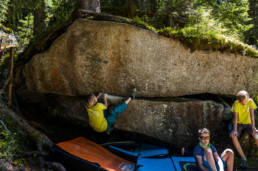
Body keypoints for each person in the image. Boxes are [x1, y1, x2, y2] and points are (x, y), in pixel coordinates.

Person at [230, 90, 258, 168]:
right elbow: (235, 118)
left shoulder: (250, 102)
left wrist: (254, 127)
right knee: (233, 136)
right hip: (239, 123)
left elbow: (252, 115)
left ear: (248, 98)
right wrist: (234, 130)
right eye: (242, 102)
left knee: (256, 135)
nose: (244, 103)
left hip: (248, 123)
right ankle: (243, 158)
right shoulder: (236, 103)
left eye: (245, 101)